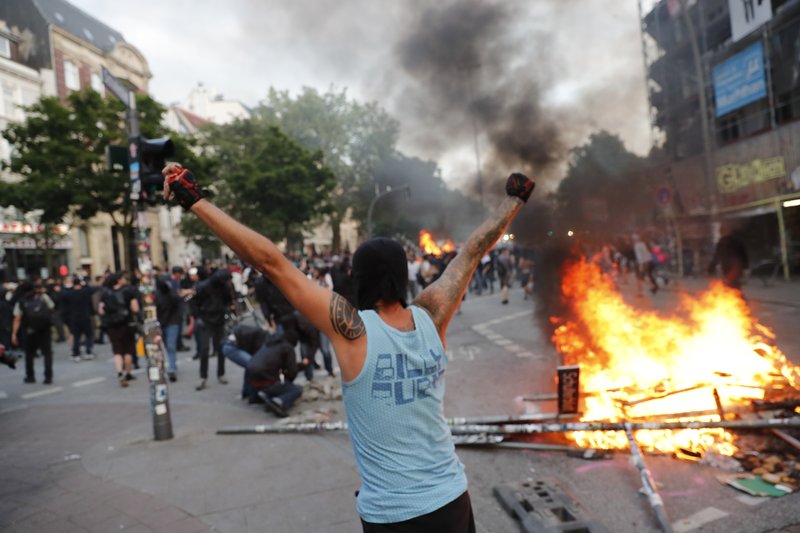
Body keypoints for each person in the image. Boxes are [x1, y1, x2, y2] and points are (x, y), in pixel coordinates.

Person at [162, 162, 533, 532]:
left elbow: (272, 263)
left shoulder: (354, 331)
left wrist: (195, 199)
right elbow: (470, 253)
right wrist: (514, 201)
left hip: (394, 514)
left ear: (359, 278)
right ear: (402, 277)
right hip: (452, 499)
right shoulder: (433, 317)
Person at [192, 267, 233, 390]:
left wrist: (226, 311)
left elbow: (228, 300)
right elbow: (195, 303)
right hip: (206, 320)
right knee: (204, 349)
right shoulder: (204, 287)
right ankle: (203, 376)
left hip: (218, 319)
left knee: (221, 348)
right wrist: (198, 317)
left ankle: (220, 374)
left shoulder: (223, 287)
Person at [99, 273, 140, 387]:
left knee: (117, 351)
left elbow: (101, 310)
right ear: (118, 280)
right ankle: (128, 373)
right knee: (128, 350)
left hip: (112, 326)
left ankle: (119, 373)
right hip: (126, 324)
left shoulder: (105, 293)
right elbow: (135, 308)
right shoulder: (128, 292)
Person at [11, 281, 55, 384]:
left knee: (29, 354)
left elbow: (17, 318)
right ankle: (48, 377)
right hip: (45, 329)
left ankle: (30, 376)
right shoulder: (42, 297)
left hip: (30, 330)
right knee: (47, 353)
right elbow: (52, 307)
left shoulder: (21, 301)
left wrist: (14, 334)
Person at [156, 275, 182, 382]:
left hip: (172, 323)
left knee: (170, 345)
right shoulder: (157, 296)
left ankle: (172, 368)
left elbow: (178, 303)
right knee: (167, 346)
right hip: (164, 323)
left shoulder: (172, 295)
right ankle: (171, 366)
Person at [64, 276, 97, 361]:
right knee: (89, 335)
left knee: (76, 336)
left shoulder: (69, 294)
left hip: (74, 317)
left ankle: (76, 353)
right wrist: (85, 284)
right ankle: (88, 351)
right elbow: (93, 289)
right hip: (85, 316)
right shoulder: (85, 291)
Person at [708, 225, 749, 291]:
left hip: (730, 267)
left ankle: (737, 299)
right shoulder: (736, 241)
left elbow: (717, 256)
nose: (721, 234)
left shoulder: (723, 242)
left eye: (721, 232)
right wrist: (746, 267)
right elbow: (743, 255)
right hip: (736, 268)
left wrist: (710, 269)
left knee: (731, 285)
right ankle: (737, 299)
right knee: (733, 285)